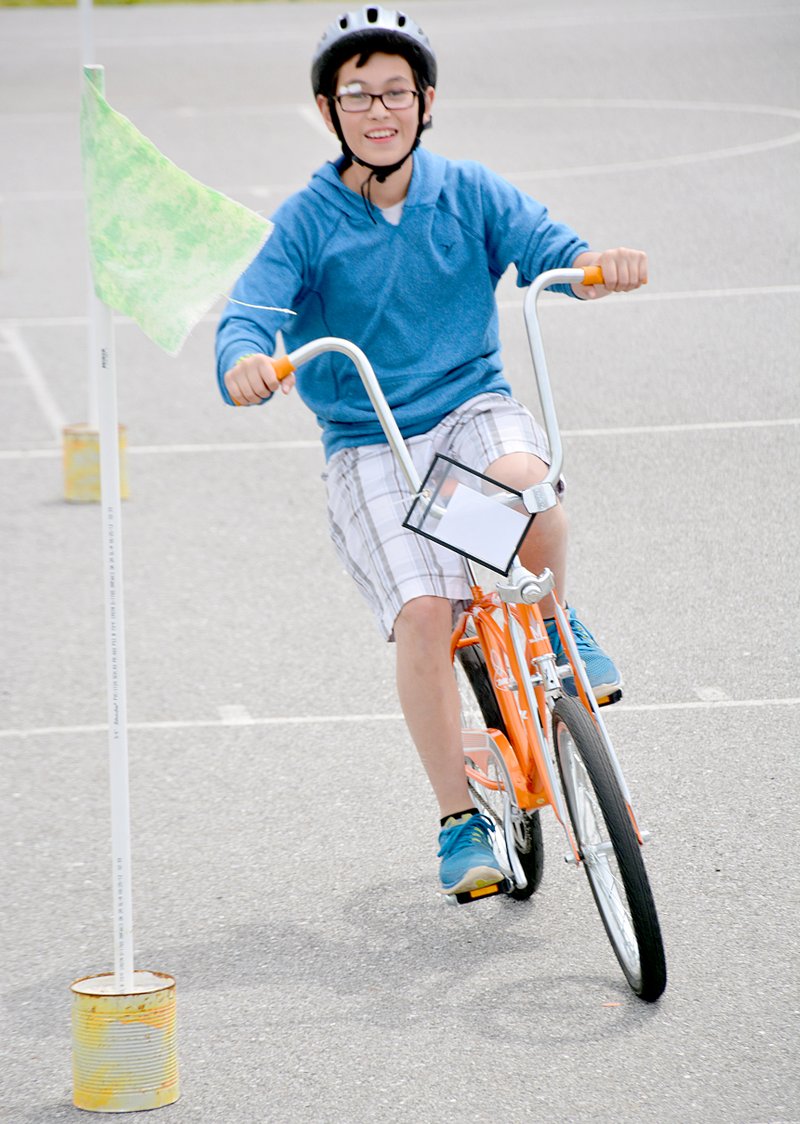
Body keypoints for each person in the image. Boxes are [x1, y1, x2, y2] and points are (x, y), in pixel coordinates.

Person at [216, 5, 648, 897]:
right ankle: (459, 821)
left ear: (427, 100)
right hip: (371, 441)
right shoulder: (306, 220)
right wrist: (246, 362)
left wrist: (593, 268)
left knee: (529, 488)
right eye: (357, 96)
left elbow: (549, 250)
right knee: (426, 611)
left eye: (396, 93)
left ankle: (556, 632)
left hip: (465, 412)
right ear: (330, 111)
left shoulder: (467, 189)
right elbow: (249, 312)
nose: (379, 111)